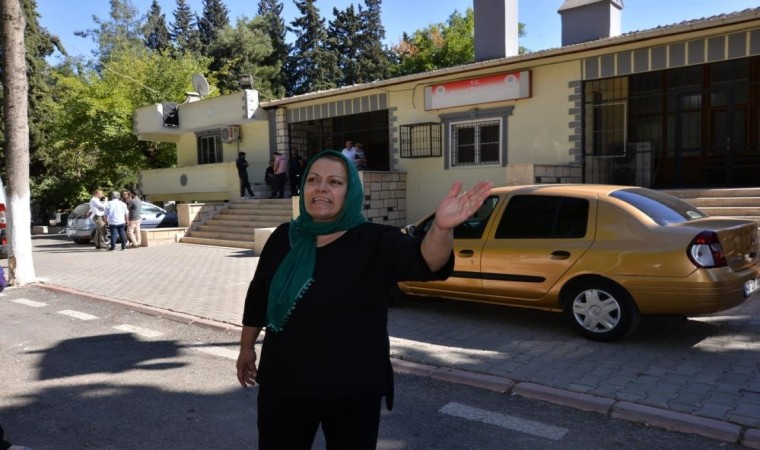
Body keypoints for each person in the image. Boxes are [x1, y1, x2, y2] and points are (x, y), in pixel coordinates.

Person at [236, 149, 492, 449]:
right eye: (313, 180)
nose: (321, 188)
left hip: (352, 388)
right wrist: (246, 347)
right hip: (285, 382)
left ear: (351, 192)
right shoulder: (284, 237)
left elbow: (426, 261)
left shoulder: (375, 240)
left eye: (335, 182)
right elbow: (259, 295)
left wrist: (441, 228)